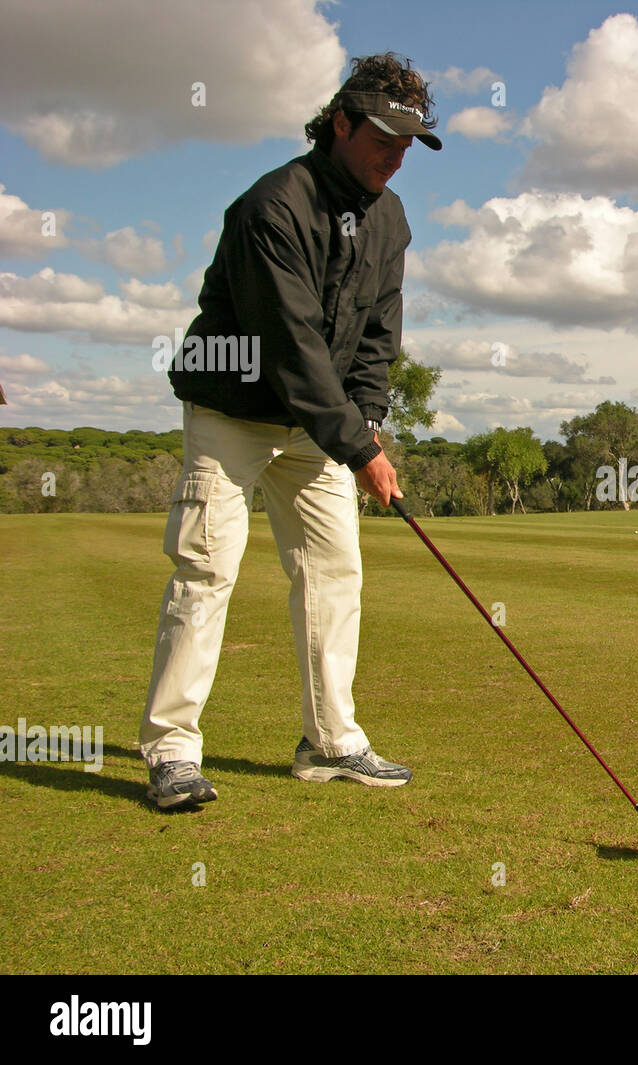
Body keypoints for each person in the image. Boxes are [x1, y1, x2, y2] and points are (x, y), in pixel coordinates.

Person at [140, 53, 441, 810]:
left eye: (409, 145)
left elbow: (376, 338)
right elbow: (292, 344)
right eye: (383, 139)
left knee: (335, 569)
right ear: (340, 124)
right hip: (232, 411)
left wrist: (366, 421)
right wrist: (362, 449)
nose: (395, 157)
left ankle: (330, 741)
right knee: (206, 570)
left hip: (318, 424)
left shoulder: (391, 218)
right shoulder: (273, 206)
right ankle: (172, 751)